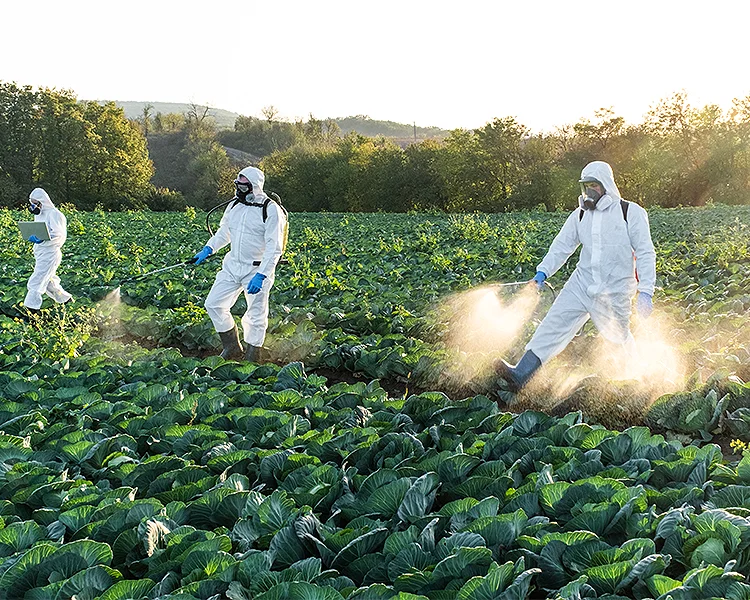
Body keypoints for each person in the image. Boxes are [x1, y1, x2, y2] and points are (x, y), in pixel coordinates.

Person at [497, 160, 656, 392]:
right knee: (553, 325)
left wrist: (646, 290)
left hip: (614, 291)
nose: (590, 191)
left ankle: (636, 383)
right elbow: (562, 246)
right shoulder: (580, 215)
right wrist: (543, 271)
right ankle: (521, 373)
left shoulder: (630, 212)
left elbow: (645, 252)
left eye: (594, 185)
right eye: (586, 186)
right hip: (581, 284)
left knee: (618, 340)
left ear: (606, 185)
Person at [193, 166, 287, 362]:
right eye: (237, 185)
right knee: (214, 304)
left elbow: (274, 247)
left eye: (243, 187)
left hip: (257, 268)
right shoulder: (234, 205)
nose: (238, 190)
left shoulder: (270, 209)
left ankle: (253, 355)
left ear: (254, 186)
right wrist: (208, 249)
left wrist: (262, 275)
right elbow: (224, 233)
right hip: (232, 265)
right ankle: (232, 347)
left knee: (255, 314)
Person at [23, 188, 73, 312]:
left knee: (36, 282)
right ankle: (67, 301)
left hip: (50, 254)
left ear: (43, 201)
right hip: (40, 252)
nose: (34, 206)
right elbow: (39, 229)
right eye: (32, 203)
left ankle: (31, 310)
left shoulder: (55, 214)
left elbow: (60, 235)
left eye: (36, 203)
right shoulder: (39, 214)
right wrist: (34, 236)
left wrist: (44, 238)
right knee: (49, 283)